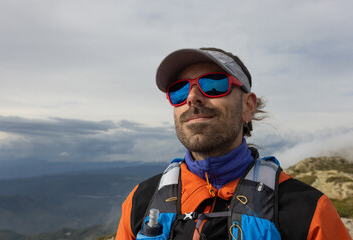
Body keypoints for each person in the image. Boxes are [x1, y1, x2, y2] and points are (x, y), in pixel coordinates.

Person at [116, 48, 351, 240]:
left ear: (248, 106)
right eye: (178, 90)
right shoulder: (140, 200)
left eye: (214, 84)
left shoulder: (308, 210)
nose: (191, 97)